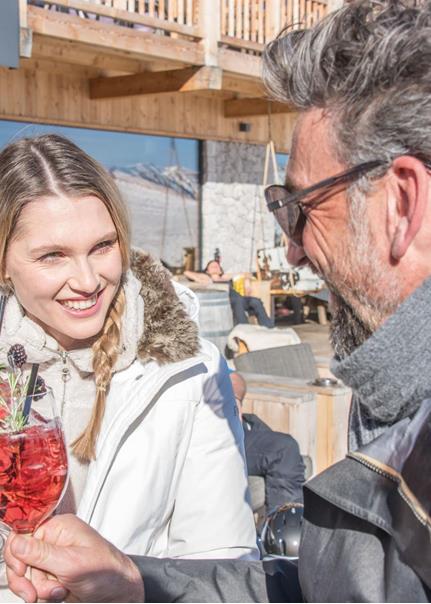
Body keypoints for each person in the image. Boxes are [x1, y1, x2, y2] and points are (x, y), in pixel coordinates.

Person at [4, 1, 431, 601]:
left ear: (402, 203)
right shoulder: (394, 404)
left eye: (298, 207)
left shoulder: (192, 372)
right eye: (51, 255)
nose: (292, 254)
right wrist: (137, 583)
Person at [0, 134, 258, 572]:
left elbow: (222, 571)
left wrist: (135, 585)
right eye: (53, 256)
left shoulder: (188, 372)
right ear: (4, 264)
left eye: (102, 246)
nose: (87, 280)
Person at [231, 372, 304, 512]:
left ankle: (294, 517)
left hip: (236, 423)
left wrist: (234, 397)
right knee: (282, 450)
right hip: (206, 433)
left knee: (258, 427)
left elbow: (235, 378)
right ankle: (283, 528)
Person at [185, 260, 275, 328]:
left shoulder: (225, 277)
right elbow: (186, 272)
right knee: (238, 300)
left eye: (217, 266)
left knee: (255, 301)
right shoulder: (207, 277)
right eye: (212, 266)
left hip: (238, 297)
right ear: (207, 271)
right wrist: (200, 279)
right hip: (225, 300)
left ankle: (268, 328)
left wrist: (247, 281)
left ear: (220, 270)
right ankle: (244, 328)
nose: (215, 267)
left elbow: (247, 274)